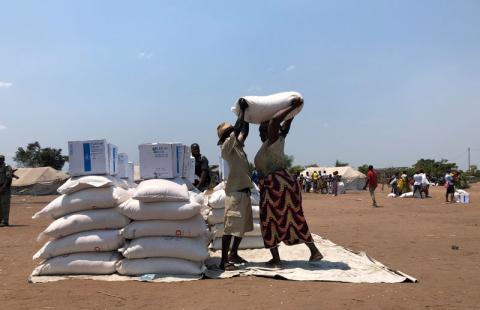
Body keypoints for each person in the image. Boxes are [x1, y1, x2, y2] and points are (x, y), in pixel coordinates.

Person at [254, 97, 323, 267]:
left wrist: (292, 107)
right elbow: (285, 127)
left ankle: (277, 260)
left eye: (265, 129)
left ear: (271, 130)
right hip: (284, 184)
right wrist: (293, 114)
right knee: (294, 217)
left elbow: (278, 122)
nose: (261, 132)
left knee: (269, 220)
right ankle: (314, 251)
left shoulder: (272, 140)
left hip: (275, 187)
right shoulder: (277, 140)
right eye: (261, 130)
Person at [217, 99, 254, 270]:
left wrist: (245, 115)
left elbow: (243, 131)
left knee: (242, 227)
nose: (235, 132)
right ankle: (224, 261)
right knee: (230, 228)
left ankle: (233, 253)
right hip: (235, 193)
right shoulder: (226, 147)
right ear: (227, 136)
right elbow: (238, 129)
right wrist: (240, 114)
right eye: (231, 131)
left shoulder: (237, 146)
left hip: (244, 191)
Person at [0, 155, 13, 227]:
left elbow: (8, 178)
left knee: (4, 205)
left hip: (5, 189)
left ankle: (5, 221)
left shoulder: (7, 167)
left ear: (3, 160)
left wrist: (3, 187)